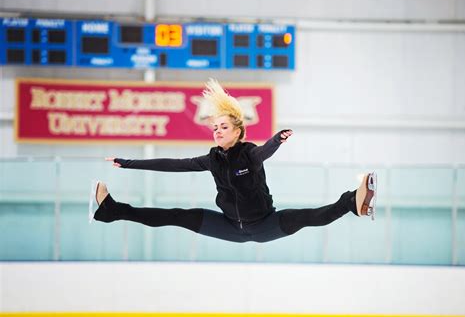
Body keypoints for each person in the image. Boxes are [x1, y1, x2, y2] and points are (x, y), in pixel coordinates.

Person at [90, 79, 377, 243]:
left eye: (224, 127)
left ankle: (353, 202)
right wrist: (128, 163)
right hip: (228, 226)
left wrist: (276, 140)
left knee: (304, 217)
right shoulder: (212, 159)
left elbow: (264, 153)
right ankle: (111, 210)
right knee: (176, 215)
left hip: (264, 225)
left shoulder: (249, 153)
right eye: (215, 127)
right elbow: (173, 165)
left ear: (238, 131)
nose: (217, 131)